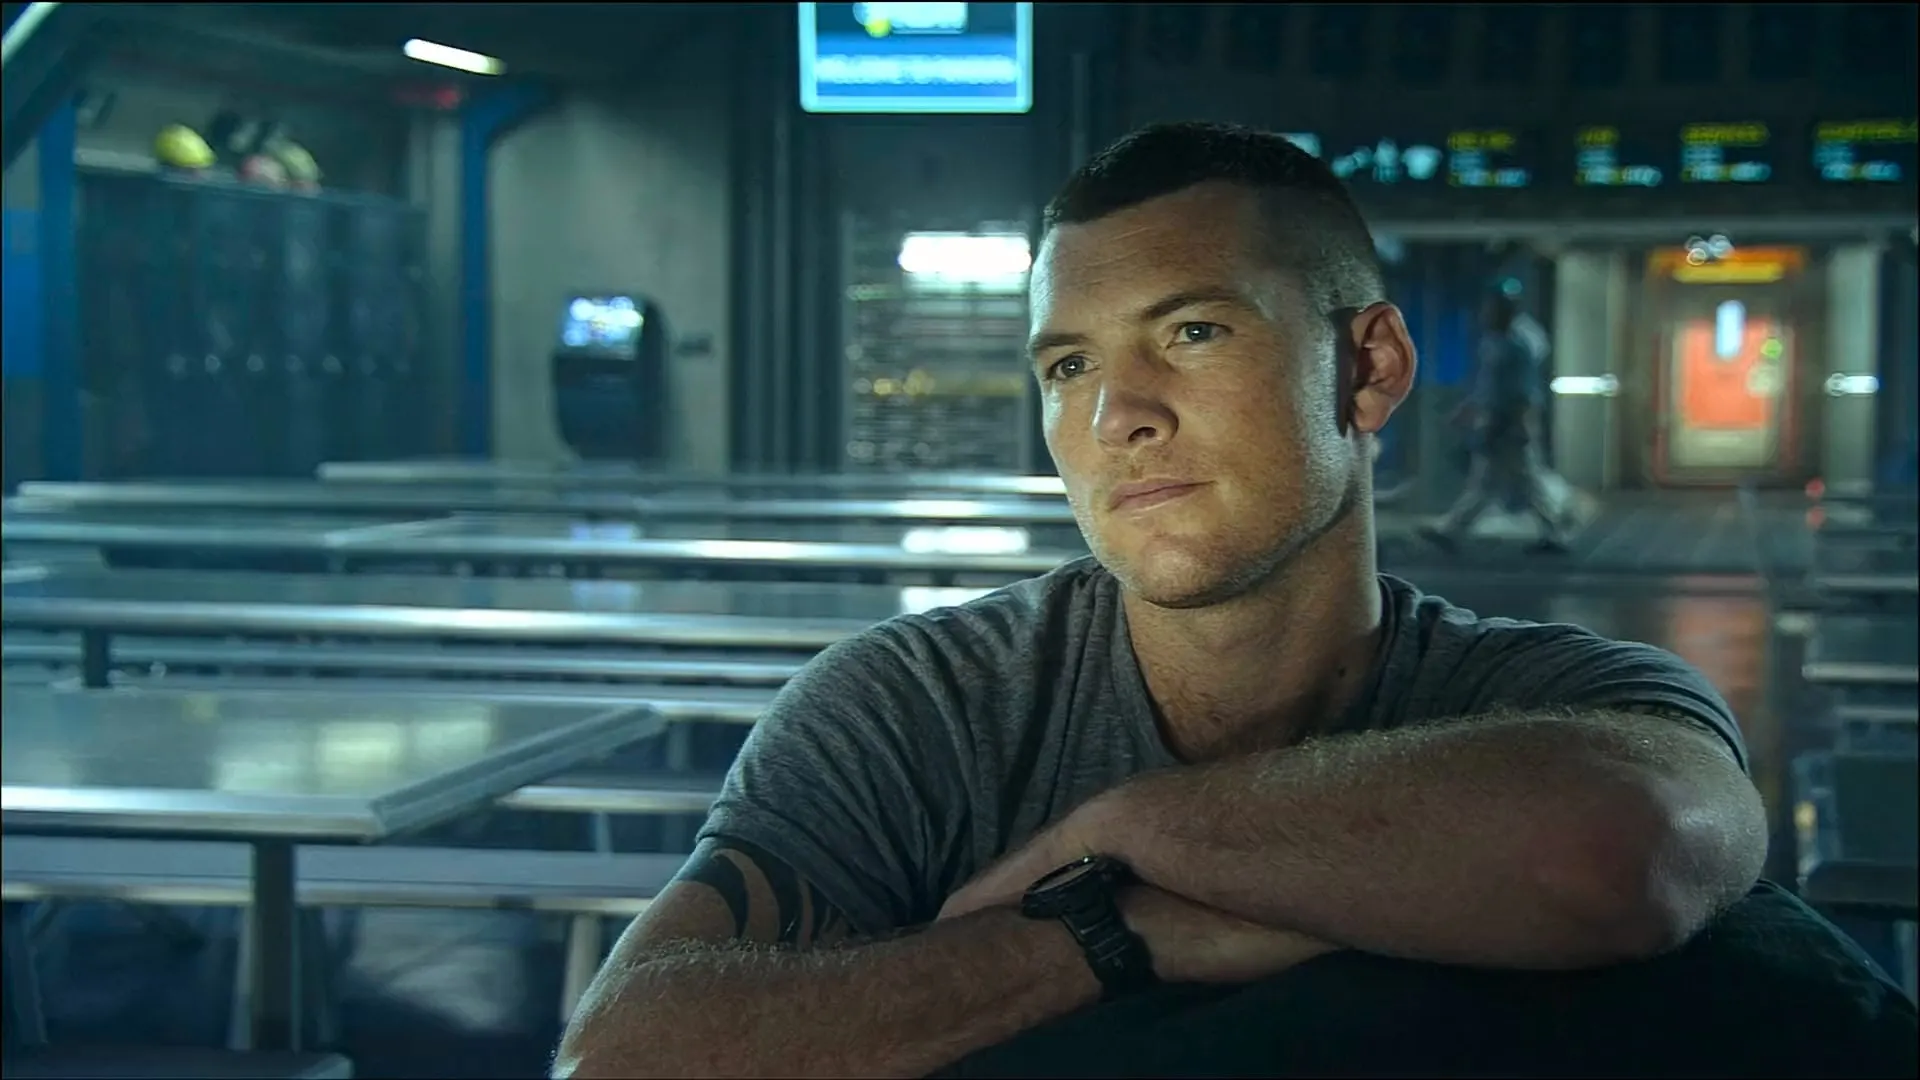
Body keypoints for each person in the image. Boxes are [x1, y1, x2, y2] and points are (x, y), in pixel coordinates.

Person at [553, 123, 1770, 1078]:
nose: (1113, 416)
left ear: (1369, 366)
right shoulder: (918, 706)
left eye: (1191, 332)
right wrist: (1107, 934)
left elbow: (1629, 851)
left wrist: (1132, 827)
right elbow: (620, 1057)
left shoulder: (1557, 701)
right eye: (1069, 364)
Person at [1418, 289, 1573, 555]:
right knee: (1489, 481)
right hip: (1496, 421)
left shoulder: (1517, 345)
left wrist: (1520, 423)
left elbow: (1522, 391)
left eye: (1492, 309)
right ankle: (1452, 529)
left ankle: (1556, 530)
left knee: (1524, 480)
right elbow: (1487, 387)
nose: (1486, 315)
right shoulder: (1495, 343)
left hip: (1510, 423)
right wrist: (1470, 410)